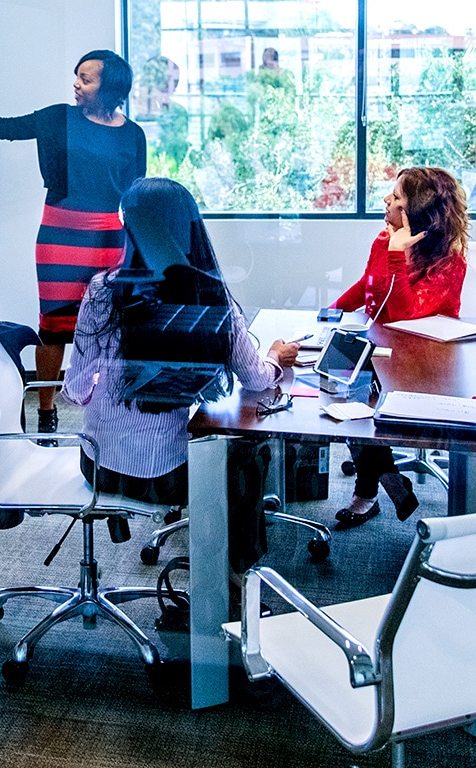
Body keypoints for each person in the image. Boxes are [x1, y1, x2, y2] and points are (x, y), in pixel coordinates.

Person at [60, 177, 300, 568]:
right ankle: (234, 578)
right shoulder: (209, 294)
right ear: (189, 226)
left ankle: (224, 571)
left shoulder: (102, 290)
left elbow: (75, 387)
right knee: (247, 453)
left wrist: (114, 380)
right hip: (167, 478)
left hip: (97, 467)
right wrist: (275, 356)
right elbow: (257, 380)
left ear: (129, 229)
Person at [0, 49, 147, 434]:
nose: (76, 83)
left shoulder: (133, 135)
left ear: (110, 87)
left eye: (85, 79)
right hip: (58, 237)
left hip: (109, 240)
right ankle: (46, 414)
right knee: (54, 327)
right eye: (77, 75)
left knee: (110, 326)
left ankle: (108, 410)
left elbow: (137, 194)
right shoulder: (57, 118)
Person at [330, 166, 469, 528]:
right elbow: (367, 285)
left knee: (358, 402)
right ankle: (389, 476)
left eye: (396, 198)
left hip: (421, 363)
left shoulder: (449, 263)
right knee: (341, 395)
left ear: (417, 212)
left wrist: (396, 254)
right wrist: (330, 314)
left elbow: (406, 318)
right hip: (377, 348)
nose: (386, 201)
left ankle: (367, 492)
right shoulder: (383, 238)